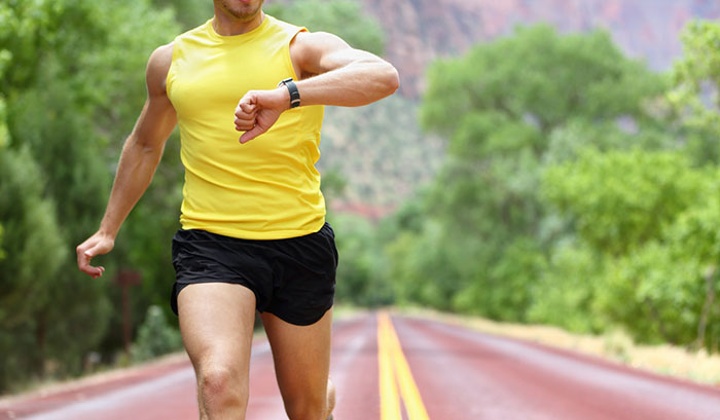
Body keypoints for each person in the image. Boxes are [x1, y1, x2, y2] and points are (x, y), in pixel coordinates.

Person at [75, 0, 399, 418]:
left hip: (299, 242)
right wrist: (108, 228)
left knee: (308, 409)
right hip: (211, 244)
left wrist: (288, 95)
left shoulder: (299, 48)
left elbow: (382, 76)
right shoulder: (171, 60)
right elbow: (145, 144)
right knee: (218, 382)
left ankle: (322, 398)